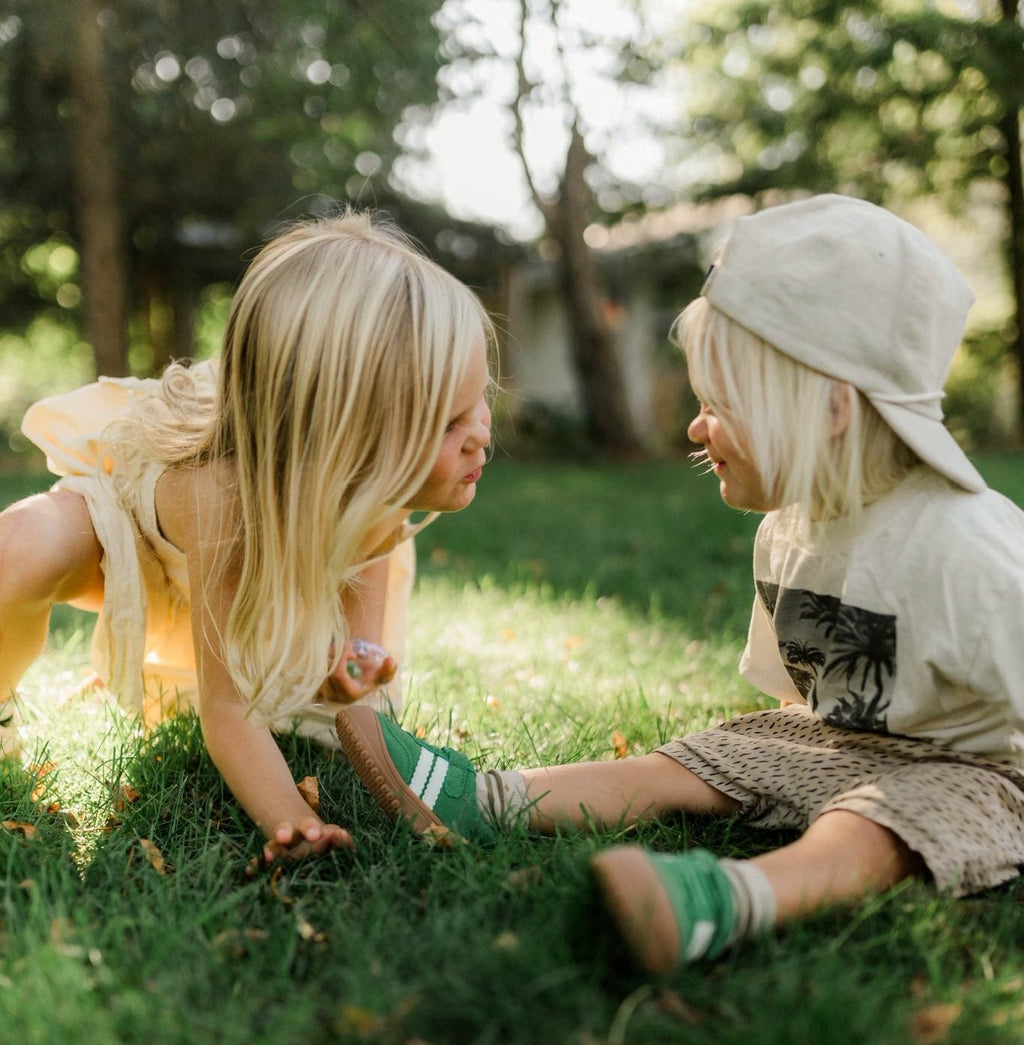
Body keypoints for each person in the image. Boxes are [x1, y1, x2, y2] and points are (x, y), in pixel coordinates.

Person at [335, 193, 1024, 974]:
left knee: (881, 819)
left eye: (718, 406)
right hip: (850, 740)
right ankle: (484, 798)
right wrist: (773, 763)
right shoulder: (788, 532)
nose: (696, 428)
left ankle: (725, 900)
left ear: (831, 409)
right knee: (706, 754)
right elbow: (797, 701)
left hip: (986, 774)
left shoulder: (967, 549)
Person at [3, 209, 493, 864]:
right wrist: (292, 819)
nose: (481, 433)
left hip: (262, 551)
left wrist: (353, 676)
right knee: (21, 546)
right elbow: (228, 710)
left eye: (478, 400)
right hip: (137, 542)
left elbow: (361, 669)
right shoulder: (223, 498)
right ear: (350, 437)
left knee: (309, 719)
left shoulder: (376, 490)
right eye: (449, 422)